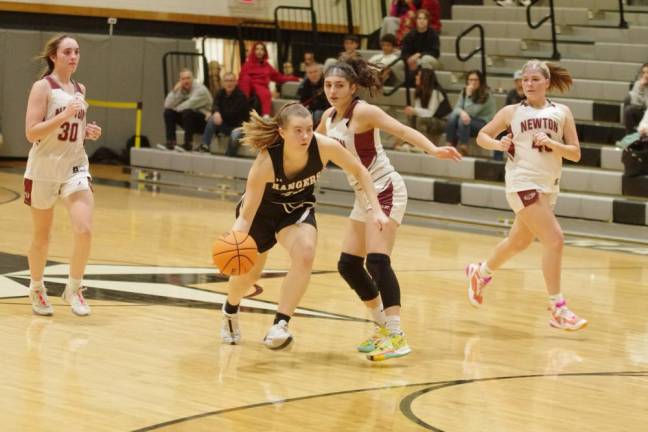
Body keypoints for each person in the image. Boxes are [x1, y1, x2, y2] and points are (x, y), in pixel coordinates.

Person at [317, 58, 461, 361]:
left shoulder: (365, 112)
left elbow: (403, 131)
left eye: (339, 85)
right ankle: (382, 327)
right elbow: (317, 156)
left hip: (385, 189)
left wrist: (433, 150)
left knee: (378, 261)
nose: (332, 90)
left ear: (353, 87)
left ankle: (396, 335)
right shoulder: (328, 118)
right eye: (328, 85)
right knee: (348, 265)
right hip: (362, 196)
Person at [220, 103, 390, 350]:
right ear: (282, 132)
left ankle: (280, 325)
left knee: (306, 253)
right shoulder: (266, 162)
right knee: (248, 276)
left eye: (309, 129)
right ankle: (230, 309)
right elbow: (246, 216)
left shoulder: (324, 146)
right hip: (261, 216)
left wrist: (375, 209)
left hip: (296, 210)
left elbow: (360, 171)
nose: (306, 136)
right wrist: (235, 242)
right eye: (298, 130)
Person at [465, 60, 587, 331]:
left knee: (519, 242)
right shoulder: (511, 112)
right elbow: (482, 136)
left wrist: (553, 143)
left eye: (534, 79)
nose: (528, 84)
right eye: (524, 80)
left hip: (548, 185)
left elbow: (576, 153)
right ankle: (558, 308)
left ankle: (480, 272)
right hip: (521, 182)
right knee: (554, 239)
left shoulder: (562, 112)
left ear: (546, 82)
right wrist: (499, 143)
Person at [24, 34, 102, 317]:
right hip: (44, 167)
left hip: (74, 165)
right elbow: (32, 132)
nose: (73, 56)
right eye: (67, 52)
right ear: (54, 56)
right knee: (42, 237)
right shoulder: (42, 87)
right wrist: (66, 114)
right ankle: (36, 287)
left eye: (77, 52)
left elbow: (72, 131)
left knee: (84, 229)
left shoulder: (80, 88)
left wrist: (87, 132)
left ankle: (74, 287)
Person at [238, 41, 300, 117]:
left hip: (263, 89)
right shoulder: (247, 65)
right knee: (246, 79)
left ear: (264, 52)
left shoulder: (267, 66)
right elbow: (241, 79)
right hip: (249, 90)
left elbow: (279, 77)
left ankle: (265, 115)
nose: (259, 51)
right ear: (253, 51)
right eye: (257, 49)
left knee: (265, 93)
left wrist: (295, 79)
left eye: (262, 49)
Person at [445, 69, 496, 156]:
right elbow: (457, 108)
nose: (473, 82)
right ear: (467, 81)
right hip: (469, 121)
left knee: (463, 119)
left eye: (476, 80)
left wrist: (468, 96)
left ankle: (464, 145)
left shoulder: (486, 94)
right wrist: (462, 112)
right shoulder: (464, 91)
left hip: (483, 123)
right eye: (471, 80)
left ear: (480, 81)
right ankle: (449, 144)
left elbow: (471, 112)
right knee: (453, 116)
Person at [162, 68, 212, 151]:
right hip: (190, 120)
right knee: (168, 113)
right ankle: (171, 142)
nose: (186, 81)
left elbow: (189, 105)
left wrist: (175, 108)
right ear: (180, 80)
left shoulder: (200, 90)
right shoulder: (181, 89)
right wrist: (174, 91)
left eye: (188, 78)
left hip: (205, 122)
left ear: (192, 79)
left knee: (187, 112)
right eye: (183, 79)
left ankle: (188, 143)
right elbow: (167, 105)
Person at [201, 72, 249, 156]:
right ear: (223, 83)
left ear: (235, 82)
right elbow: (215, 104)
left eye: (231, 81)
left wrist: (217, 113)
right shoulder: (220, 93)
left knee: (234, 135)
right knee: (212, 119)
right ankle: (205, 146)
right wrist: (215, 112)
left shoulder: (241, 96)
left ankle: (229, 156)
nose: (229, 83)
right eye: (226, 81)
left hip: (239, 127)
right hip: (226, 125)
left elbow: (232, 114)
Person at [403, 68, 451, 146]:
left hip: (443, 122)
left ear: (425, 78)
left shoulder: (436, 91)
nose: (416, 77)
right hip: (431, 119)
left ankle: (422, 146)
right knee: (412, 117)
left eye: (418, 75)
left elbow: (430, 113)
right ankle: (408, 143)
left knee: (421, 120)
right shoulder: (419, 91)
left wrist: (414, 110)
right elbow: (418, 110)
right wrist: (412, 111)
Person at [400, 9, 441, 73]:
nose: (422, 21)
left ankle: (425, 82)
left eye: (424, 19)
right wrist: (409, 59)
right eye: (419, 18)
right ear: (416, 20)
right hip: (413, 61)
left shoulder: (433, 34)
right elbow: (404, 53)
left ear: (428, 21)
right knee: (398, 63)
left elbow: (435, 53)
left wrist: (419, 55)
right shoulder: (410, 35)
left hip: (431, 61)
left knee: (425, 59)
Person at [297, 63, 330, 128]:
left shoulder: (327, 82)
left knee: (318, 114)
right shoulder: (305, 84)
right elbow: (303, 101)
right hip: (312, 109)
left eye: (315, 72)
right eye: (310, 72)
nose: (313, 74)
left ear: (320, 72)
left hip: (325, 110)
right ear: (307, 74)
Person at [623, 63, 648, 133]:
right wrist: (641, 88)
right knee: (627, 100)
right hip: (642, 111)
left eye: (647, 72)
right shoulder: (638, 84)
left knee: (629, 109)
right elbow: (635, 104)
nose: (645, 75)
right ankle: (629, 134)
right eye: (643, 72)